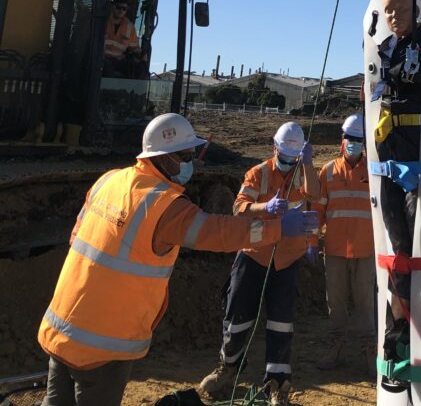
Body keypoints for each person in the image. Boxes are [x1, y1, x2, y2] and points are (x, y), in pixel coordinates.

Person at [37, 113, 317, 406]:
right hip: (101, 344)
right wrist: (277, 228)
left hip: (62, 327)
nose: (192, 162)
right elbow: (218, 232)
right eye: (186, 155)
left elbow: (77, 237)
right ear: (166, 157)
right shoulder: (163, 206)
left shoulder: (110, 179)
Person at [199, 121, 321, 406]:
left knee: (281, 323)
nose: (288, 162)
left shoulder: (302, 172)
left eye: (294, 157)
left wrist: (308, 164)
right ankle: (227, 369)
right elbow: (238, 207)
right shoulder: (259, 173)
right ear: (274, 148)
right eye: (286, 156)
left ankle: (277, 383)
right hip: (254, 255)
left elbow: (314, 194)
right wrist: (264, 208)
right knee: (238, 317)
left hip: (286, 259)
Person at [373, 0, 421, 392]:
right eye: (388, 10)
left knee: (418, 249)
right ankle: (400, 325)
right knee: (398, 251)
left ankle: (418, 327)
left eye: (400, 8)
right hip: (388, 165)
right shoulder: (382, 49)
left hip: (420, 164)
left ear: (415, 10)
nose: (394, 15)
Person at [315, 113, 375, 373]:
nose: (353, 143)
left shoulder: (374, 171)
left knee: (364, 302)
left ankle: (367, 349)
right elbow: (318, 210)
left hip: (366, 249)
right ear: (342, 139)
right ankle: (336, 346)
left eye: (359, 139)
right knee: (336, 301)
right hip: (335, 249)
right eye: (350, 138)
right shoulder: (328, 171)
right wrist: (310, 241)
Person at [103, 0, 143, 77]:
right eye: (118, 7)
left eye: (124, 8)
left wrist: (141, 54)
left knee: (138, 69)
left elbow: (134, 47)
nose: (121, 10)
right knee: (107, 68)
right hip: (101, 59)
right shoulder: (102, 21)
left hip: (118, 60)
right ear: (112, 7)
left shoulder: (129, 27)